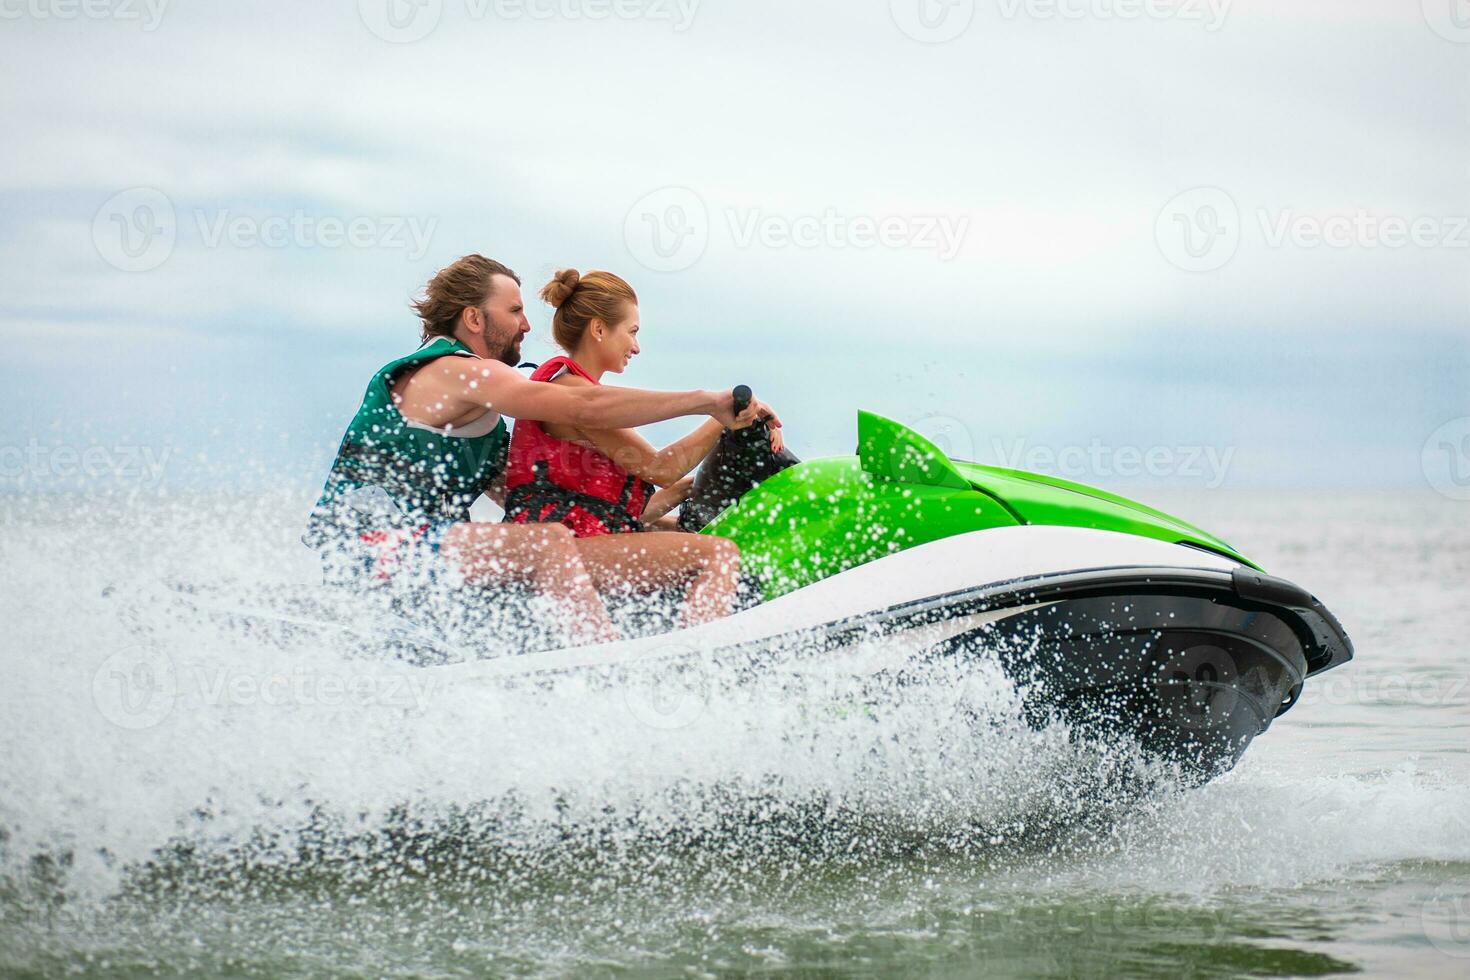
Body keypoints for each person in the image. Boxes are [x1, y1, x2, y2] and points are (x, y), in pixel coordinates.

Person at [304, 254, 780, 646]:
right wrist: (707, 403)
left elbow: (526, 499)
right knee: (548, 541)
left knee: (549, 534)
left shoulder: (483, 422)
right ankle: (608, 665)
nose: (529, 324)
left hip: (430, 559)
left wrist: (668, 510)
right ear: (474, 317)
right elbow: (584, 405)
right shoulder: (456, 368)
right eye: (513, 312)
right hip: (367, 548)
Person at [502, 269, 786, 624]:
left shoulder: (576, 390)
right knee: (718, 555)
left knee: (690, 536)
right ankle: (698, 665)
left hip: (578, 543)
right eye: (632, 332)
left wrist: (694, 488)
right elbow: (660, 468)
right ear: (599, 329)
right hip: (560, 552)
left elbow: (619, 511)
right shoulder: (571, 394)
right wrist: (722, 417)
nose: (636, 347)